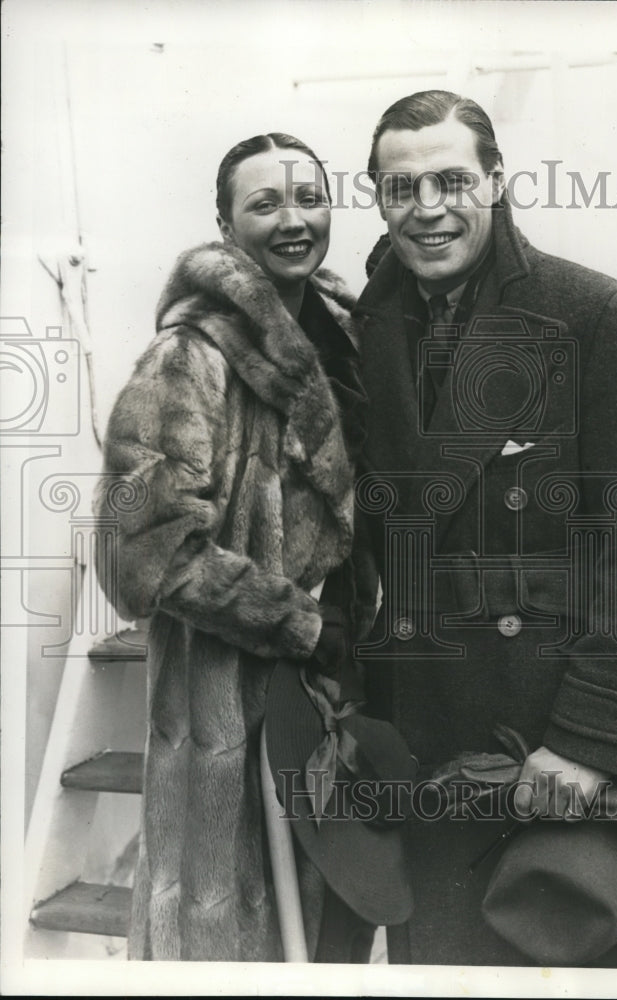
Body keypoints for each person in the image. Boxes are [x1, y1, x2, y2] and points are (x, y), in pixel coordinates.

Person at [353, 90, 617, 968]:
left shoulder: (593, 316)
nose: (427, 208)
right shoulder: (372, 327)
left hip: (563, 742)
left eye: (450, 180)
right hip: (437, 746)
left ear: (497, 182)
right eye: (401, 189)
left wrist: (587, 741)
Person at [94, 133, 376, 961]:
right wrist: (296, 623)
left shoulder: (344, 334)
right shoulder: (186, 356)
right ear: (224, 224)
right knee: (232, 933)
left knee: (334, 923)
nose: (293, 220)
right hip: (229, 691)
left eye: (308, 199)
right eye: (265, 204)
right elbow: (139, 547)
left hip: (336, 684)